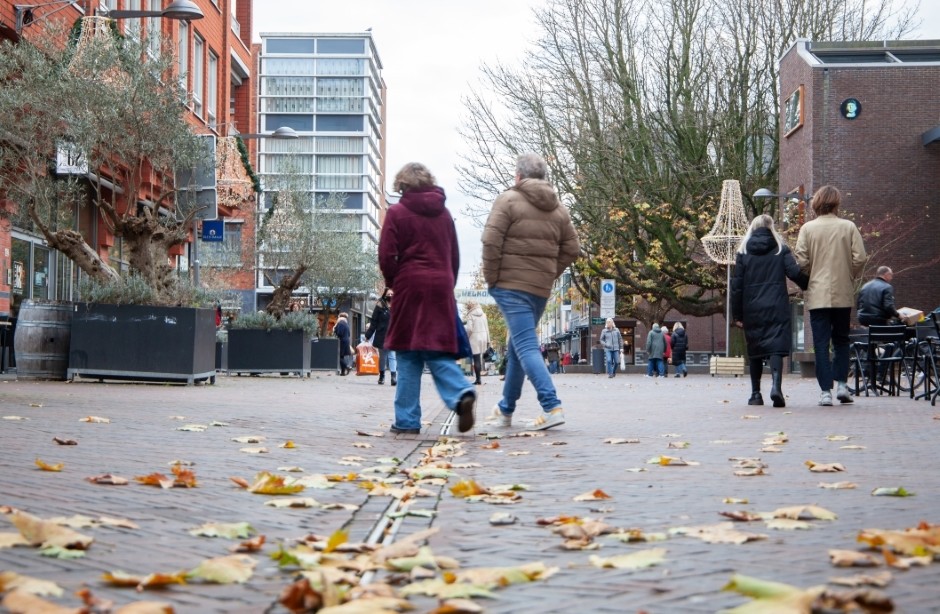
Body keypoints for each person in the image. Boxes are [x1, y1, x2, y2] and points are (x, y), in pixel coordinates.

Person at [482, 153, 580, 430]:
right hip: (539, 289)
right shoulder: (559, 209)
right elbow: (572, 249)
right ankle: (505, 409)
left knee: (524, 345)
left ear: (518, 176)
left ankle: (551, 406)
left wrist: (492, 279)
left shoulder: (508, 200)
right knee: (516, 345)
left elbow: (491, 241)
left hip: (510, 286)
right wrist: (549, 274)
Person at [379, 162, 476, 434]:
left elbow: (387, 254)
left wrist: (392, 283)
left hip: (409, 285)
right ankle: (460, 393)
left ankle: (407, 421)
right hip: (441, 285)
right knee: (437, 349)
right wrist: (447, 283)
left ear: (402, 185)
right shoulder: (444, 214)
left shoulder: (397, 213)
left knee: (408, 352)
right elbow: (454, 255)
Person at [794, 186, 867, 407]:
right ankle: (843, 385)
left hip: (817, 295)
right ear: (836, 203)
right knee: (842, 340)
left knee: (821, 343)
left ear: (816, 203)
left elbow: (802, 261)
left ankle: (825, 391)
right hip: (842, 293)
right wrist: (849, 275)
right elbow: (860, 258)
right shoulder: (848, 227)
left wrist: (809, 277)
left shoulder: (807, 229)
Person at [731, 214, 809, 407]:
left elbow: (736, 287)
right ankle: (776, 387)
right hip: (776, 304)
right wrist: (808, 283)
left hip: (752, 307)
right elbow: (794, 272)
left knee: (756, 349)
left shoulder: (742, 252)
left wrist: (737, 315)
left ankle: (756, 394)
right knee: (775, 346)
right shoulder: (780, 249)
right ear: (771, 227)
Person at [364, 288, 396, 386]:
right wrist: (368, 335)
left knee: (392, 356)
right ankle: (382, 376)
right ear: (385, 295)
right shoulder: (379, 306)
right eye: (389, 294)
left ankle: (393, 377)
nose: (390, 296)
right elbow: (374, 322)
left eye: (392, 294)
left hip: (394, 335)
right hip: (382, 335)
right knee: (383, 357)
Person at [463, 301, 490, 385]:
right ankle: (478, 378)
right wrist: (488, 341)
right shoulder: (484, 314)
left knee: (476, 359)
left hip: (474, 338)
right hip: (483, 337)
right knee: (479, 358)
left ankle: (478, 379)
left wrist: (466, 337)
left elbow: (470, 329)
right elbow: (487, 328)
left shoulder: (470, 315)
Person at [333, 312, 352, 376]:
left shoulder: (340, 323)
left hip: (341, 341)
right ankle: (343, 372)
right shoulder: (346, 324)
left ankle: (347, 366)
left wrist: (335, 329)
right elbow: (349, 334)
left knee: (338, 356)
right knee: (342, 356)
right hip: (346, 340)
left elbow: (339, 333)